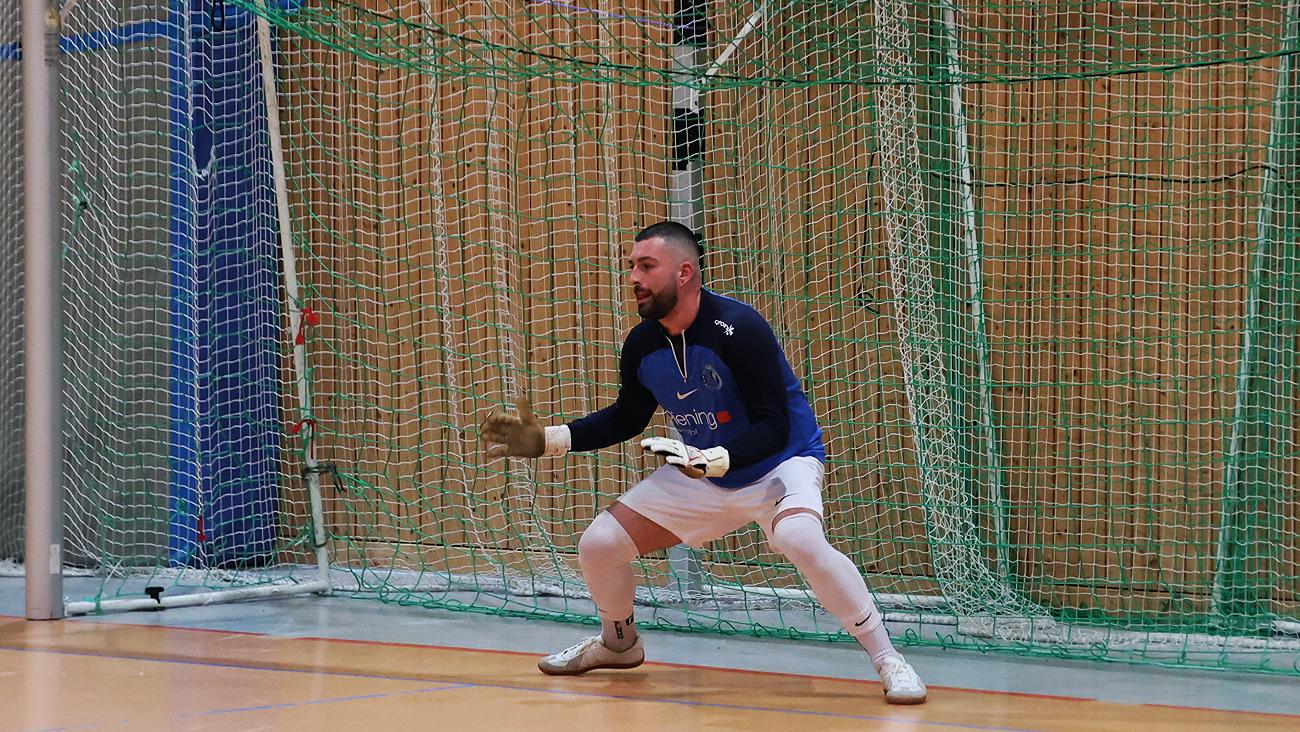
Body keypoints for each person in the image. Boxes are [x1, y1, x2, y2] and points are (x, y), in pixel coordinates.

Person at [479, 221, 927, 704]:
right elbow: (628, 418)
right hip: (704, 471)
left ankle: (888, 659)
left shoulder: (740, 328)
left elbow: (774, 426)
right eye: (632, 266)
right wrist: (548, 440)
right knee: (599, 545)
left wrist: (716, 459)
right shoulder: (641, 344)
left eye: (647, 266)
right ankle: (618, 644)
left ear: (685, 273)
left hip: (781, 463)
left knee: (799, 537)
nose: (634, 277)